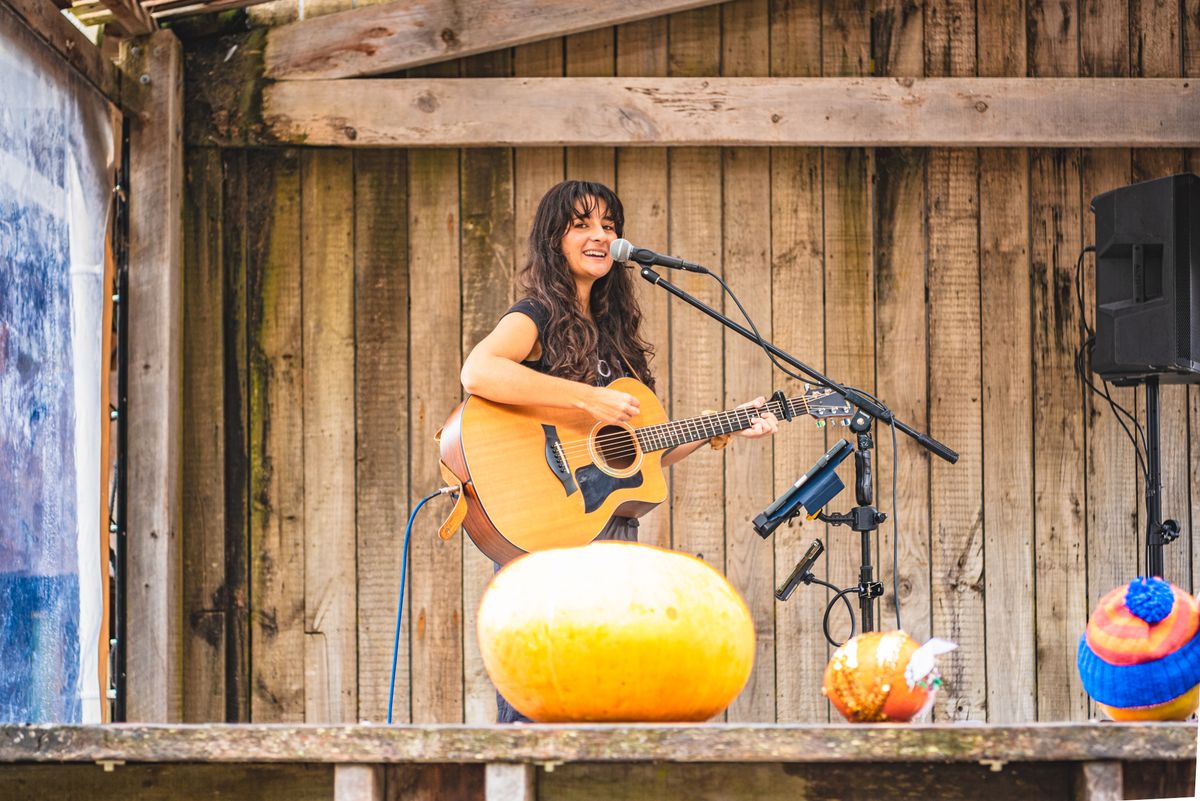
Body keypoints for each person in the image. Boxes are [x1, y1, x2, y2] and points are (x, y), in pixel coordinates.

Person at [460, 180, 778, 722]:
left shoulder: (615, 336)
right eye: (582, 224)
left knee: (614, 713)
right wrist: (589, 399)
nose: (599, 236)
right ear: (553, 239)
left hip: (611, 549)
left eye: (609, 226)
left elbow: (634, 456)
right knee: (543, 718)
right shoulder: (534, 314)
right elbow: (479, 370)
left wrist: (717, 428)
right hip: (548, 543)